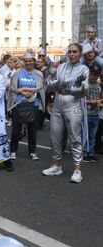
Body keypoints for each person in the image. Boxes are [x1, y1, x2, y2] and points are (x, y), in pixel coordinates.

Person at [43, 43, 89, 183]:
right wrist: (51, 80)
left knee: (75, 139)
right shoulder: (61, 67)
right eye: (69, 52)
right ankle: (57, 166)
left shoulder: (84, 69)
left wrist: (68, 87)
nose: (72, 54)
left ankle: (77, 170)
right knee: (55, 137)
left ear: (80, 53)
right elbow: (51, 85)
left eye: (75, 52)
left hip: (73, 106)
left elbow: (83, 90)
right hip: (57, 105)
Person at [7, 52, 45, 161]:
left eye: (30, 60)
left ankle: (32, 152)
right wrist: (23, 93)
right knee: (16, 130)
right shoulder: (18, 73)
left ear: (34, 61)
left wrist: (25, 90)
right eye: (26, 61)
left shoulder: (39, 74)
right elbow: (13, 88)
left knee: (32, 130)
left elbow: (40, 88)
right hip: (18, 104)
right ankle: (13, 151)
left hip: (33, 104)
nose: (28, 63)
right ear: (24, 61)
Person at [83, 64, 102, 162]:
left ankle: (91, 153)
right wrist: (91, 102)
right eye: (92, 73)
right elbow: (80, 100)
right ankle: (84, 153)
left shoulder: (99, 85)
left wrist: (99, 102)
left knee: (92, 135)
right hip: (86, 113)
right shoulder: (85, 84)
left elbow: (101, 97)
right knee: (85, 135)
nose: (94, 76)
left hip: (95, 113)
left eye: (96, 74)